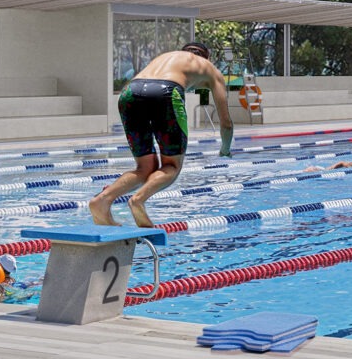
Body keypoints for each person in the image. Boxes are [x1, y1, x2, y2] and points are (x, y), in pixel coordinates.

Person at [90, 43, 240, 228]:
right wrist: (225, 150)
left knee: (145, 168)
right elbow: (225, 122)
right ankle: (138, 200)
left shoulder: (166, 57)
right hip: (166, 93)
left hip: (130, 93)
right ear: (206, 57)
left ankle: (102, 200)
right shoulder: (209, 68)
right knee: (172, 166)